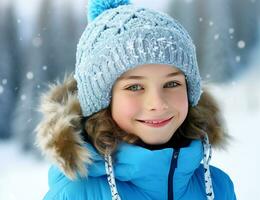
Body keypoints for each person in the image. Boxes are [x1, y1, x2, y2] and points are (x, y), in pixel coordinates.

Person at [35, 0, 237, 199]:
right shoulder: (76, 195)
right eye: (134, 87)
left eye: (172, 84)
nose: (157, 104)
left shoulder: (218, 187)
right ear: (101, 101)